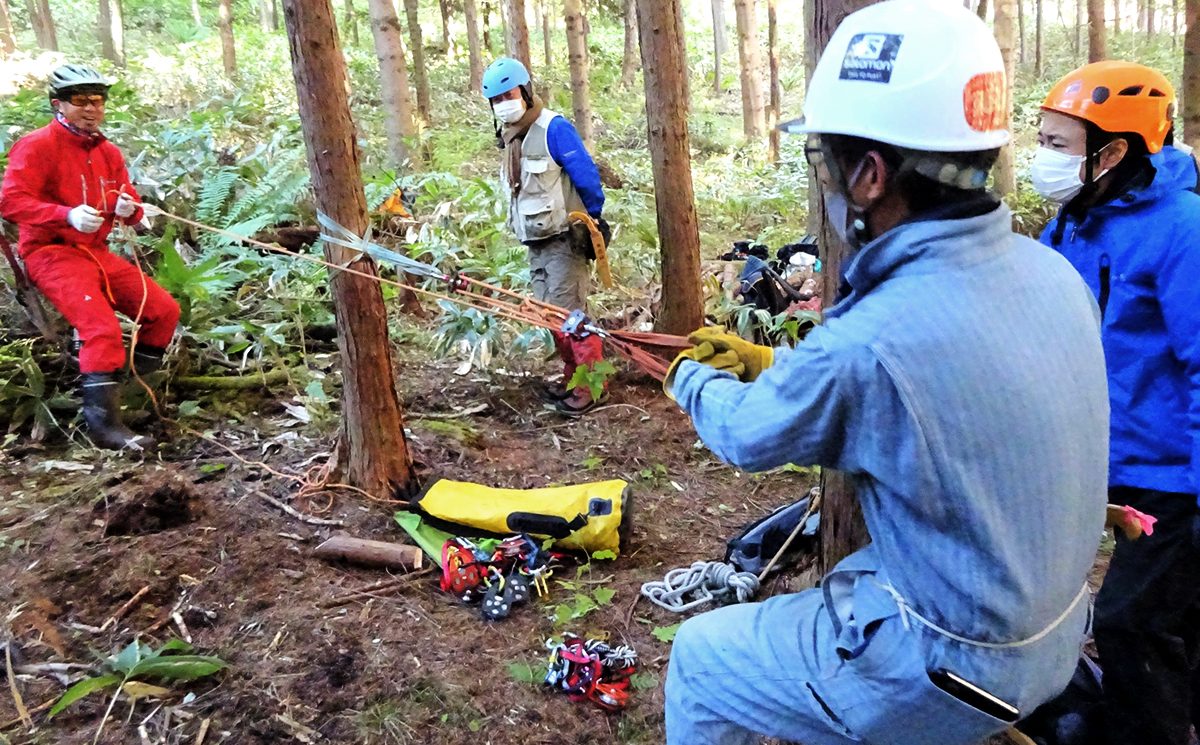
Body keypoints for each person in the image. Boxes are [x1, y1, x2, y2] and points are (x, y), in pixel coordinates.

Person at [659, 2, 1109, 744]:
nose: (830, 185)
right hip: (1056, 635)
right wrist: (771, 361)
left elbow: (746, 434)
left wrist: (690, 377)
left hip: (955, 663)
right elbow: (937, 392)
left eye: (829, 164)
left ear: (870, 175)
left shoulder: (868, 342)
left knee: (703, 660)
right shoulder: (1051, 273)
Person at [1033, 61, 1200, 745]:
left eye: (1059, 143)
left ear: (1115, 150)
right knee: (1173, 621)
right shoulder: (1075, 223)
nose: (1045, 157)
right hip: (1108, 461)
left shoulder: (1183, 228)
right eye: (1042, 138)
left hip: (1174, 476)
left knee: (1132, 621)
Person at [0, 64, 179, 450]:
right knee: (100, 329)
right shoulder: (36, 145)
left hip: (95, 252)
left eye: (97, 100)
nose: (91, 108)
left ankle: (132, 393)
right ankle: (104, 427)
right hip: (50, 252)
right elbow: (11, 202)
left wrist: (133, 209)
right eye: (79, 101)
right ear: (58, 105)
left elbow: (125, 197)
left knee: (163, 311)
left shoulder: (107, 151)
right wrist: (64, 214)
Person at [480, 57, 611, 416]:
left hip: (564, 239)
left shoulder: (553, 128)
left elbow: (586, 177)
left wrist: (592, 221)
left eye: (507, 94)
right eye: (496, 100)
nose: (503, 104)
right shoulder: (512, 139)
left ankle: (589, 388)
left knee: (571, 315)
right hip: (535, 243)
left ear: (523, 91)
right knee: (550, 318)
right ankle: (573, 380)